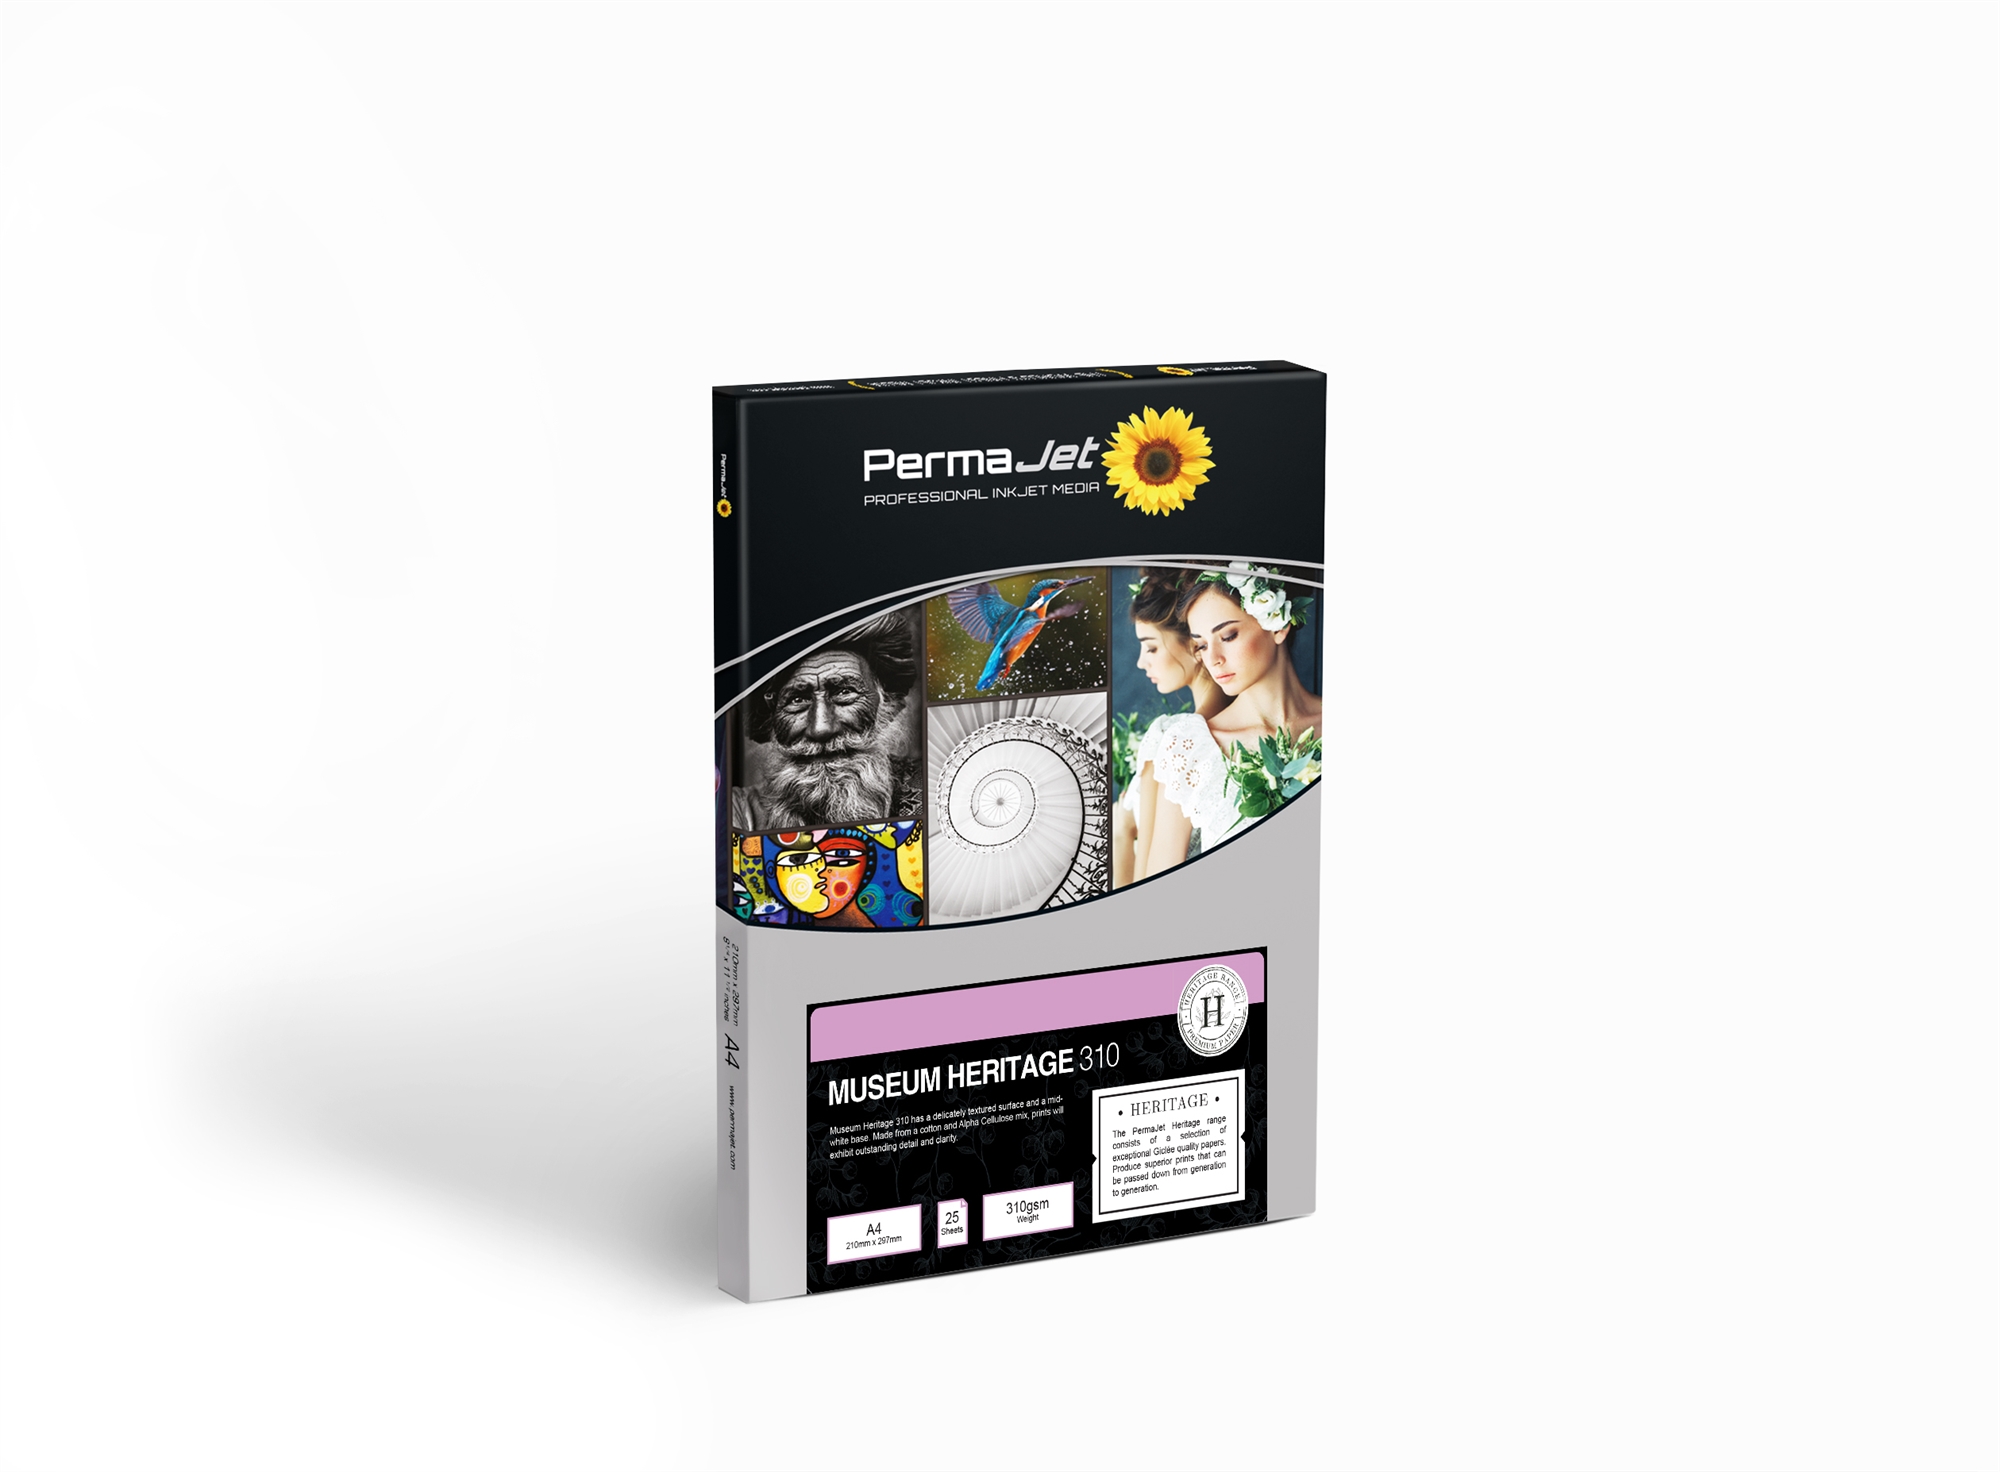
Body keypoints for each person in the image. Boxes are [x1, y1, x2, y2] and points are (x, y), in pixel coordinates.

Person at [1136, 565, 1321, 880]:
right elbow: (1156, 890)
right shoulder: (1189, 747)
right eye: (1202, 645)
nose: (1214, 659)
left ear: (1277, 625)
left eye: (1228, 636)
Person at [730, 611, 923, 830]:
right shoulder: (739, 815)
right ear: (772, 718)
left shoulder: (938, 790)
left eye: (844, 692)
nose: (820, 728)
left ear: (885, 702)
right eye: (797, 699)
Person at [1112, 569, 1232, 887]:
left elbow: (1144, 885)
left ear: (1194, 645)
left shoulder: (1172, 740)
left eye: (1151, 647)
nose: (1141, 662)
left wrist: (1122, 830)